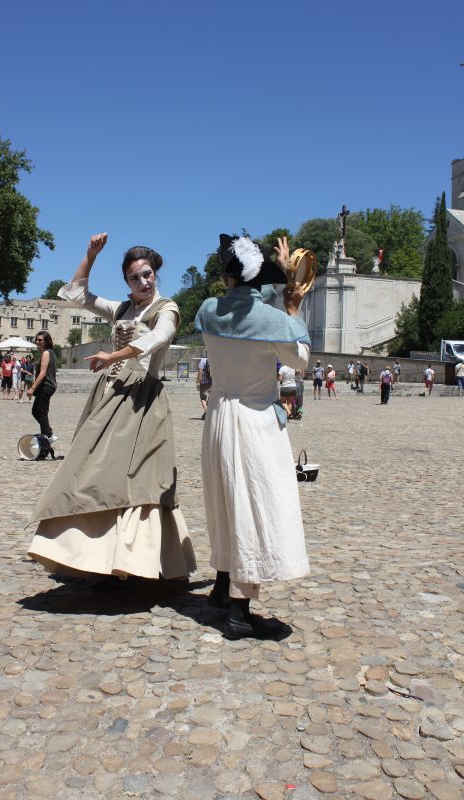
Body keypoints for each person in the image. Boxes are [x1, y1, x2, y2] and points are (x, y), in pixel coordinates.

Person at [28, 233, 196, 583]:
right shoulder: (121, 308)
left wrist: (114, 355)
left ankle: (136, 560)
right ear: (127, 281)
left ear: (156, 274)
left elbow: (158, 338)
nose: (143, 282)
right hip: (110, 394)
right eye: (135, 277)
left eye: (147, 274)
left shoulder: (167, 309)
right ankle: (94, 555)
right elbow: (76, 293)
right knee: (95, 469)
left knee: (138, 476)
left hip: (142, 398)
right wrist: (90, 255)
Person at [195, 234, 310, 640]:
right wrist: (293, 309)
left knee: (225, 500)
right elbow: (299, 360)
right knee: (252, 506)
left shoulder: (209, 310)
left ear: (228, 277)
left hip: (220, 413)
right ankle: (240, 615)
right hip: (256, 418)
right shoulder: (273, 320)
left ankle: (222, 588)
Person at [26, 332, 57, 441]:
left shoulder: (46, 353)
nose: (37, 342)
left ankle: (49, 435)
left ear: (46, 341)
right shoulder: (50, 353)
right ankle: (46, 435)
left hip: (46, 385)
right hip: (48, 386)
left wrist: (33, 387)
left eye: (40, 340)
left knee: (40, 411)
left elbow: (43, 373)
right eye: (37, 340)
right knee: (37, 411)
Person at [197, 354, 212, 419]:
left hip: (204, 382)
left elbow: (200, 371)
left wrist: (199, 380)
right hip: (212, 382)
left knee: (203, 398)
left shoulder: (203, 360)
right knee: (210, 397)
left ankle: (207, 412)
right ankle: (206, 413)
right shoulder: (213, 360)